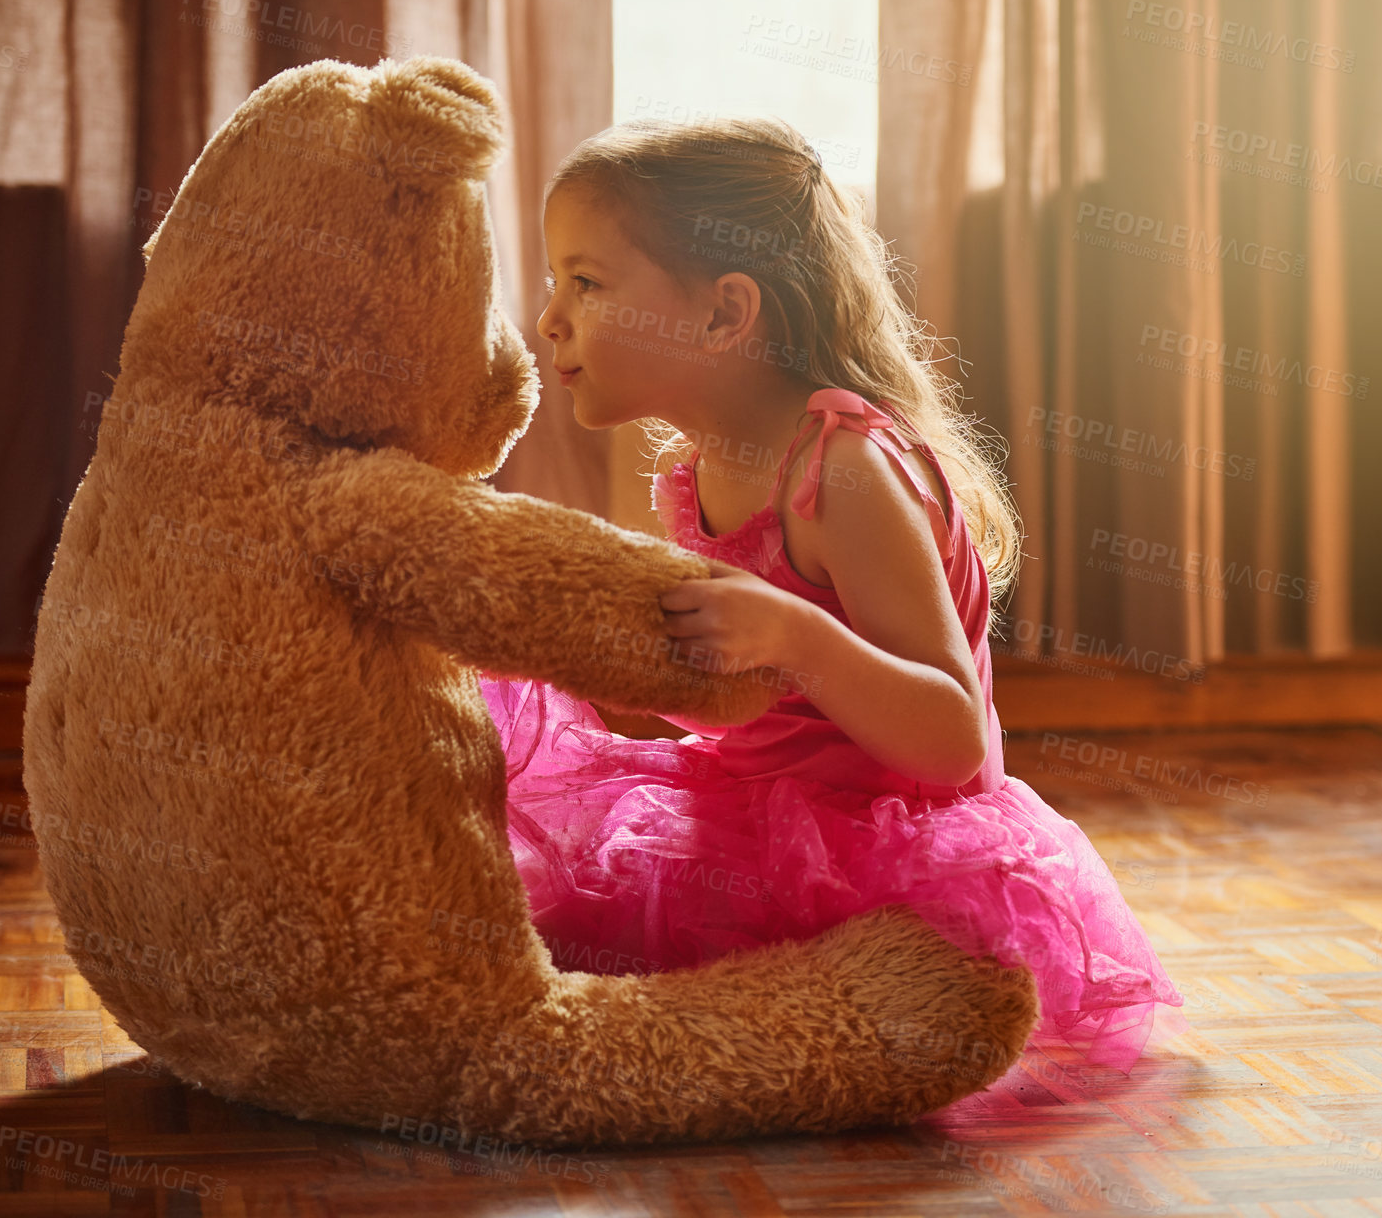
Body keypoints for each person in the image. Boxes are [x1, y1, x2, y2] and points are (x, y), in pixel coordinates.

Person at [480, 116, 1184, 1074]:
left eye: (587, 282)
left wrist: (796, 636)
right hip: (752, 811)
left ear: (726, 314)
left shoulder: (840, 469)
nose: (550, 317)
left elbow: (947, 741)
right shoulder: (695, 471)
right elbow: (748, 705)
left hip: (890, 849)